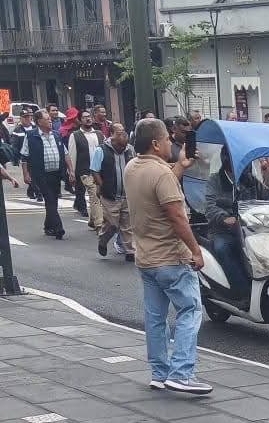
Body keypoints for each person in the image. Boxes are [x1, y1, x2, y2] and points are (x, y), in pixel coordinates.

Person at [125, 118, 210, 395]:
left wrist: (181, 167)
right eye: (165, 139)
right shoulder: (161, 174)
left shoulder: (132, 167)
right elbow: (176, 215)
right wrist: (196, 250)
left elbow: (158, 188)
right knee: (190, 309)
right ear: (155, 143)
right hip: (171, 257)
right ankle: (182, 372)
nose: (169, 143)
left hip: (146, 257)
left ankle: (160, 373)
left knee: (155, 317)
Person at [205, 145, 269, 294]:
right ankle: (240, 290)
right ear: (226, 159)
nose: (246, 162)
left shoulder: (249, 180)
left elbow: (267, 196)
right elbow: (210, 207)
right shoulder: (215, 181)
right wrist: (225, 218)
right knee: (223, 248)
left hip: (251, 229)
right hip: (224, 231)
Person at [22, 109, 70, 239]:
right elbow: (25, 157)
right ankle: (58, 228)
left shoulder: (56, 135)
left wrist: (70, 170)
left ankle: (48, 226)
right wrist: (26, 174)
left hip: (55, 174)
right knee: (49, 199)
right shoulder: (31, 136)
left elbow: (65, 153)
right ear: (39, 122)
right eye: (47, 119)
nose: (50, 120)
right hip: (41, 175)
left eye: (50, 119)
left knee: (53, 200)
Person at [91, 124, 135, 260]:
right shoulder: (102, 150)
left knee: (127, 225)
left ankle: (130, 251)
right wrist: (102, 185)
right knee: (112, 224)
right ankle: (102, 241)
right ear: (112, 135)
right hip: (110, 195)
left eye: (124, 132)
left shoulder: (130, 150)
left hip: (127, 194)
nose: (124, 135)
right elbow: (95, 170)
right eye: (120, 133)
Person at [67, 110, 104, 233]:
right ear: (80, 120)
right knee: (94, 194)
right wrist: (71, 172)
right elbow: (72, 155)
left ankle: (93, 220)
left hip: (99, 171)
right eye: (85, 117)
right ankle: (99, 224)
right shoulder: (75, 135)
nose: (88, 119)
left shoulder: (99, 134)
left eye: (89, 117)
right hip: (85, 171)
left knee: (98, 196)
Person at [12, 106, 41, 200]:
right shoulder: (17, 130)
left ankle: (32, 190)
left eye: (29, 116)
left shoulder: (35, 127)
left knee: (36, 175)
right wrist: (16, 158)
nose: (27, 119)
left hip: (36, 156)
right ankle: (38, 193)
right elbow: (15, 146)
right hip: (25, 157)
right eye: (25, 117)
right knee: (30, 175)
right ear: (21, 118)